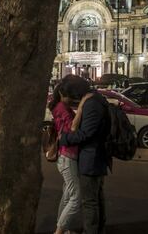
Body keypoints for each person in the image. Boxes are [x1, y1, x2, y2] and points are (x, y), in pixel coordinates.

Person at [59, 76, 111, 234]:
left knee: (89, 201)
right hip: (96, 155)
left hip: (91, 157)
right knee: (96, 197)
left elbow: (86, 133)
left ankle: (91, 231)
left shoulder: (92, 103)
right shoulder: (94, 99)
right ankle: (98, 229)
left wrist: (64, 138)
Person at [48, 76, 86, 234]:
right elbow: (72, 128)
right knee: (76, 197)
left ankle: (63, 229)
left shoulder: (59, 106)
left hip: (66, 156)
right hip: (67, 156)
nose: (73, 99)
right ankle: (59, 231)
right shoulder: (62, 108)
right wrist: (82, 106)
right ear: (63, 94)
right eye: (70, 95)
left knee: (67, 194)